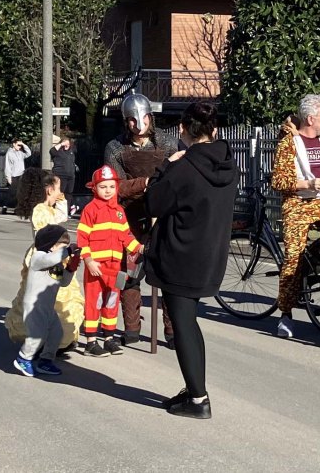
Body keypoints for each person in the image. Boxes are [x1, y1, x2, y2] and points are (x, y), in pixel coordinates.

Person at [144, 102, 239, 419]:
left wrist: (165, 166)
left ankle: (198, 399)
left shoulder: (183, 168)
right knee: (189, 322)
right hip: (212, 253)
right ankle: (194, 387)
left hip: (181, 255)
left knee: (183, 324)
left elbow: (153, 201)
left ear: (183, 130)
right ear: (215, 130)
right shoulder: (229, 165)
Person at [271, 94, 320, 339]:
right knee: (293, 256)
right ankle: (286, 315)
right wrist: (308, 183)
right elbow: (278, 181)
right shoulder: (289, 143)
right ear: (310, 118)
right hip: (298, 203)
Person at [104, 93, 178, 347]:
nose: (139, 124)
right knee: (130, 274)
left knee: (168, 275)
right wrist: (145, 183)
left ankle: (172, 331)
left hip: (163, 217)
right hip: (131, 217)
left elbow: (177, 180)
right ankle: (132, 329)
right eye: (133, 120)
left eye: (143, 118)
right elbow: (114, 187)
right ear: (126, 121)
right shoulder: (115, 148)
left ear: (150, 117)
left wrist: (161, 194)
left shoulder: (168, 144)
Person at [4, 168, 84, 352]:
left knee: (59, 295)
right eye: (58, 189)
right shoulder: (40, 210)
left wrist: (61, 199)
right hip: (46, 256)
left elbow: (61, 216)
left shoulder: (48, 209)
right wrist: (60, 251)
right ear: (49, 190)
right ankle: (44, 339)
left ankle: (57, 339)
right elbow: (45, 235)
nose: (60, 193)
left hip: (56, 255)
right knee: (49, 297)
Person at [77, 165, 143, 357]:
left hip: (114, 267)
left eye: (112, 186)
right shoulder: (90, 210)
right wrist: (88, 261)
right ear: (94, 188)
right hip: (96, 266)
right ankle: (90, 342)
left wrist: (139, 248)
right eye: (103, 186)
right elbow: (82, 238)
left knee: (111, 301)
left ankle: (108, 338)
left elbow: (126, 236)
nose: (108, 190)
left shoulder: (119, 211)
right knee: (94, 302)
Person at [13, 225, 81, 377]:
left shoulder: (56, 264)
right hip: (34, 306)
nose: (65, 249)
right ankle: (23, 358)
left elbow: (63, 282)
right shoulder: (39, 257)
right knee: (37, 335)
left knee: (56, 334)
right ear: (51, 245)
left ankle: (46, 360)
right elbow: (49, 259)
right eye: (63, 246)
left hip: (48, 307)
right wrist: (68, 251)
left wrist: (70, 269)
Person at [50, 137, 76, 214]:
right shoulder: (58, 151)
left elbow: (75, 149)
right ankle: (56, 210)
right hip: (60, 175)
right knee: (59, 193)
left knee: (69, 193)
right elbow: (52, 151)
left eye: (67, 143)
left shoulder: (72, 151)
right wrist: (61, 144)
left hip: (70, 176)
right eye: (64, 143)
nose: (66, 145)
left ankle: (66, 211)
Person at [5, 138, 31, 213]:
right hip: (14, 175)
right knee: (12, 193)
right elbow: (7, 166)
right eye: (18, 145)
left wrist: (23, 144)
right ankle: (5, 206)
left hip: (21, 175)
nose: (19, 147)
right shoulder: (9, 153)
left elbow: (29, 153)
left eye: (20, 146)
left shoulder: (21, 153)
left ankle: (18, 208)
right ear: (14, 144)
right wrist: (8, 177)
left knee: (21, 192)